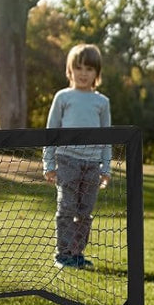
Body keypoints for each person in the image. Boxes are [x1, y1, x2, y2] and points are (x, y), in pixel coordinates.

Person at [43, 44, 112, 270]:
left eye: (89, 69)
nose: (83, 73)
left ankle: (77, 254)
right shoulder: (63, 97)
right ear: (70, 70)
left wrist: (106, 168)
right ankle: (63, 255)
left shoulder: (102, 102)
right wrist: (49, 163)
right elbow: (51, 131)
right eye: (78, 67)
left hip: (92, 165)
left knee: (85, 212)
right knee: (67, 208)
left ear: (97, 73)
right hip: (67, 161)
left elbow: (106, 137)